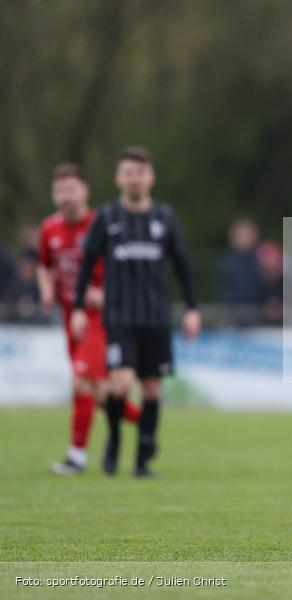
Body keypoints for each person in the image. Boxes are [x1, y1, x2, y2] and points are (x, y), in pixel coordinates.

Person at [71, 147, 201, 478]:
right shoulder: (107, 217)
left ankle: (143, 457)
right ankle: (114, 439)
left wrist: (192, 309)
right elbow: (86, 264)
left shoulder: (165, 217)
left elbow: (182, 265)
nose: (134, 179)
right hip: (120, 317)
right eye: (128, 173)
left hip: (156, 317)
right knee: (120, 383)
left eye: (139, 173)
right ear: (119, 178)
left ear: (150, 177)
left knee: (153, 388)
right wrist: (78, 308)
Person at [37, 164, 141, 474]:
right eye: (59, 191)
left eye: (71, 189)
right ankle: (144, 419)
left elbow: (123, 267)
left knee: (81, 382)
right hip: (70, 317)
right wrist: (45, 290)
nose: (65, 196)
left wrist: (104, 292)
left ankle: (76, 458)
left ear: (85, 191)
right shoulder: (49, 228)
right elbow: (44, 265)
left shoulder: (101, 225)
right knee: (97, 394)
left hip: (99, 318)